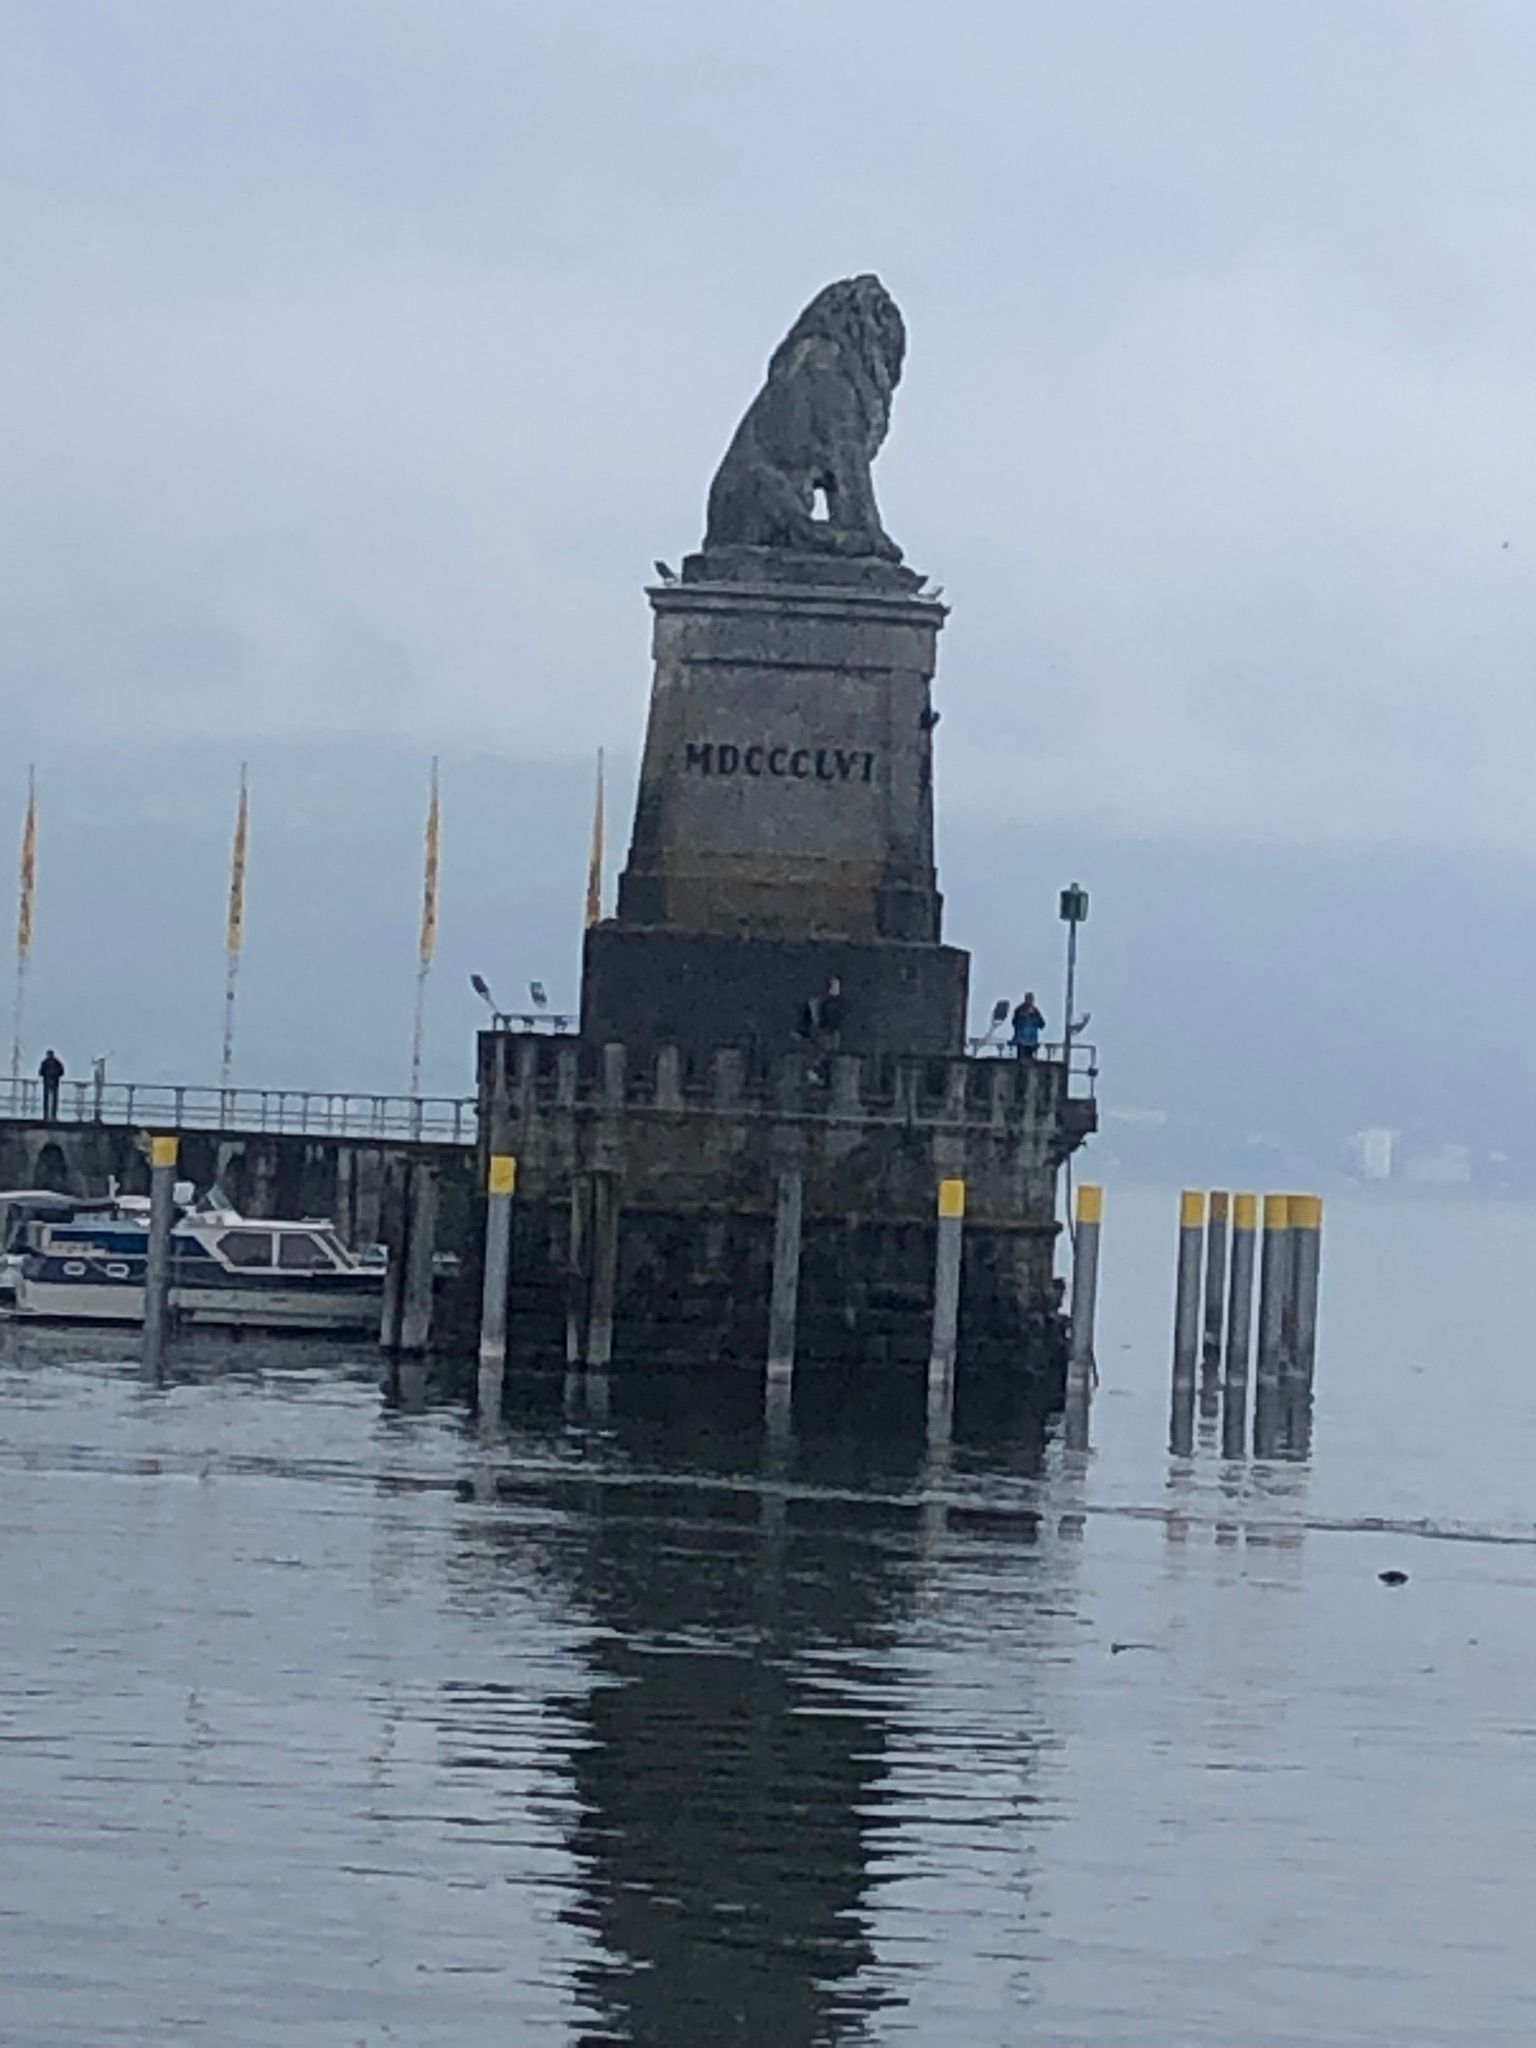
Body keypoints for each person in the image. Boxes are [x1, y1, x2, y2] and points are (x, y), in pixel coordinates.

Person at [1010, 994, 1045, 1060]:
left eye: (1031, 999)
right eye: (1029, 999)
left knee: (1027, 1060)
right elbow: (1014, 1023)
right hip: (1023, 1042)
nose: (1030, 1001)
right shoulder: (1020, 1010)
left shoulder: (1035, 1011)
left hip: (1030, 1042)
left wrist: (1034, 1018)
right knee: (1023, 1060)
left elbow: (1042, 1025)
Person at [38, 1048, 64, 1121]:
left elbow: (40, 1072)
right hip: (54, 1082)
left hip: (48, 1082)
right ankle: (52, 1115)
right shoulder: (57, 1062)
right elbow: (61, 1072)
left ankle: (47, 1115)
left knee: (48, 1100)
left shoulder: (45, 1062)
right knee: (53, 1100)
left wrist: (47, 1075)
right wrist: (55, 1075)